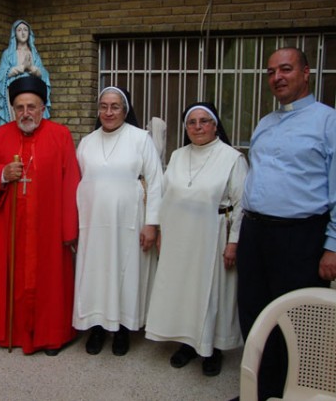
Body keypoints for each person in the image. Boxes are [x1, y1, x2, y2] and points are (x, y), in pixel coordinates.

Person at [236, 47, 336, 400]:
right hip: (255, 232)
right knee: (253, 312)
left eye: (286, 69)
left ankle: (295, 393)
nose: (277, 77)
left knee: (297, 319)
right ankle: (260, 390)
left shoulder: (328, 121)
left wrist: (333, 245)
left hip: (299, 237)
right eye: (271, 72)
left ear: (306, 73)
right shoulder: (266, 122)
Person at [0, 75, 80, 355]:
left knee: (49, 281)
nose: (26, 113)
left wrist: (69, 229)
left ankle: (51, 336)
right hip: (9, 226)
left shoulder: (60, 135)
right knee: (11, 278)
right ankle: (12, 333)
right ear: (12, 109)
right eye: (19, 107)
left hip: (48, 225)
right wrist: (2, 173)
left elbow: (71, 182)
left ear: (43, 108)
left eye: (31, 107)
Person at [145, 102, 248, 377]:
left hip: (214, 236)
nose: (198, 127)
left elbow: (242, 205)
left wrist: (234, 242)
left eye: (204, 121)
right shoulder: (178, 155)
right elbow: (165, 195)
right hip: (180, 236)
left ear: (215, 126)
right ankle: (187, 344)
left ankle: (212, 349)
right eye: (192, 122)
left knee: (211, 292)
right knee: (184, 291)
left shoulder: (232, 158)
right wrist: (161, 231)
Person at [73, 87, 163, 356]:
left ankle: (123, 329)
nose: (108, 112)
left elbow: (156, 182)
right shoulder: (87, 142)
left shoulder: (140, 138)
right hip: (93, 224)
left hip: (128, 223)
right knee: (95, 275)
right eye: (103, 106)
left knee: (125, 274)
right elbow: (78, 182)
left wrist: (152, 223)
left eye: (115, 107)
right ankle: (97, 327)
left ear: (125, 110)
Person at [0, 20, 51, 126]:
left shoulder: (34, 54)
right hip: (14, 93)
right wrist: (20, 68)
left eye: (25, 30)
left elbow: (44, 74)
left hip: (32, 93)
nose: (23, 33)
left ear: (29, 33)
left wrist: (31, 68)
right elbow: (0, 75)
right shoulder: (8, 54)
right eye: (19, 30)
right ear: (14, 34)